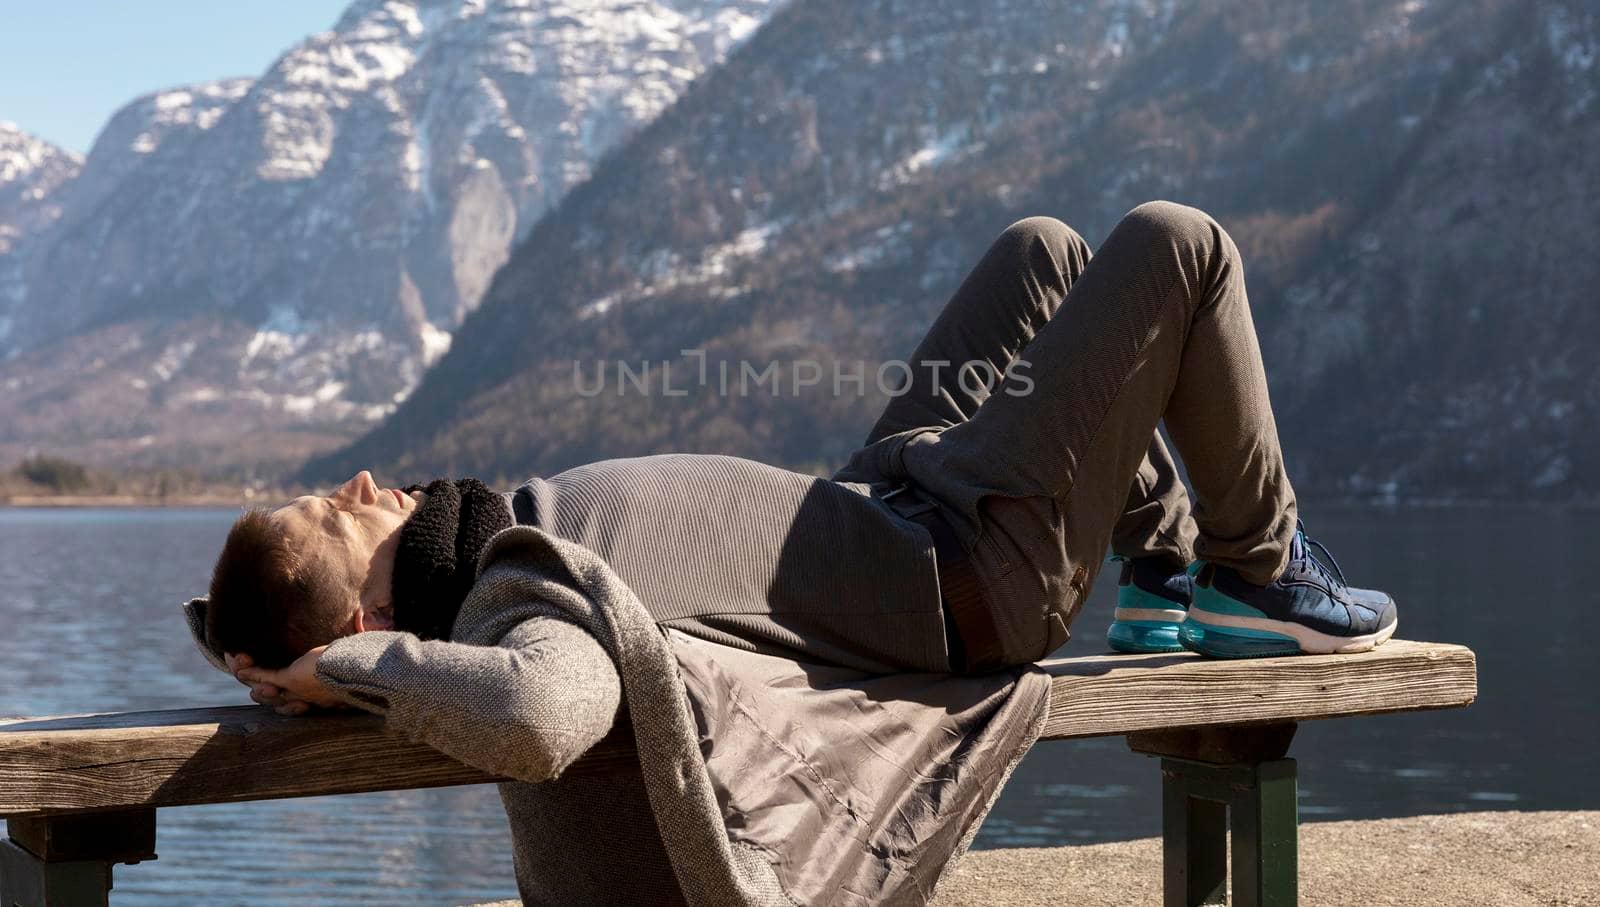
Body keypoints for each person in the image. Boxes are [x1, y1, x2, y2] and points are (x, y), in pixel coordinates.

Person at [195, 201, 1395, 902]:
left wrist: (272, 642)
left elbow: (249, 620)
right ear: (366, 620)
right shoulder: (515, 605)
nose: (362, 483)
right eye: (341, 514)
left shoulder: (494, 542)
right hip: (972, 569)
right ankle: (1256, 570)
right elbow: (538, 718)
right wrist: (351, 671)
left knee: (1041, 253)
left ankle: (1161, 572)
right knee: (1177, 243)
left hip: (893, 494)